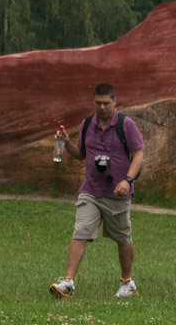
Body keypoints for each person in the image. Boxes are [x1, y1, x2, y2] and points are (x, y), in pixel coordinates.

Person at [48, 83, 145, 300]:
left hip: (117, 193)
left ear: (114, 101)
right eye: (97, 103)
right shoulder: (88, 123)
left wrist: (128, 180)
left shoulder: (125, 125)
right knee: (80, 232)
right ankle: (68, 282)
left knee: (123, 238)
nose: (101, 107)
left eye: (106, 103)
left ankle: (127, 282)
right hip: (90, 190)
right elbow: (80, 154)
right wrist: (65, 143)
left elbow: (138, 155)